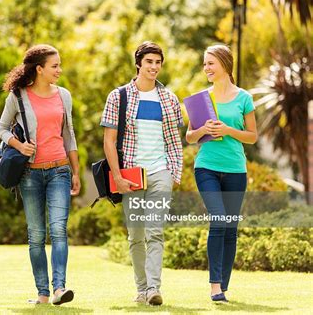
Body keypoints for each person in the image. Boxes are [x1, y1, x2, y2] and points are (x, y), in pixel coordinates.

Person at [101, 41, 183, 306]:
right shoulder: (119, 96)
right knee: (136, 235)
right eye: (149, 62)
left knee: (155, 232)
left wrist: (173, 171)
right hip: (132, 175)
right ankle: (141, 288)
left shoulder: (169, 98)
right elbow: (109, 141)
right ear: (138, 63)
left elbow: (174, 140)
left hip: (160, 172)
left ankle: (153, 289)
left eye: (158, 62)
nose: (154, 67)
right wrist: (118, 176)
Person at [0, 44, 80, 305]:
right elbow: (1, 128)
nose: (59, 70)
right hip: (30, 174)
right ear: (39, 68)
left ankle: (59, 289)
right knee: (35, 235)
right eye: (54, 66)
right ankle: (43, 293)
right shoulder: (18, 96)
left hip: (59, 170)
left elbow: (70, 134)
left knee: (58, 230)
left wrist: (75, 171)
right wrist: (19, 145)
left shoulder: (64, 95)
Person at [186, 44, 257, 302]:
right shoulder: (201, 98)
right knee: (218, 220)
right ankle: (215, 286)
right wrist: (202, 128)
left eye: (210, 63)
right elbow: (190, 137)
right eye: (204, 64)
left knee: (230, 228)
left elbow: (252, 136)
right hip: (207, 166)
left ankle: (223, 286)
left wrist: (228, 130)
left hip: (235, 169)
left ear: (225, 64)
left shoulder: (244, 98)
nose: (206, 68)